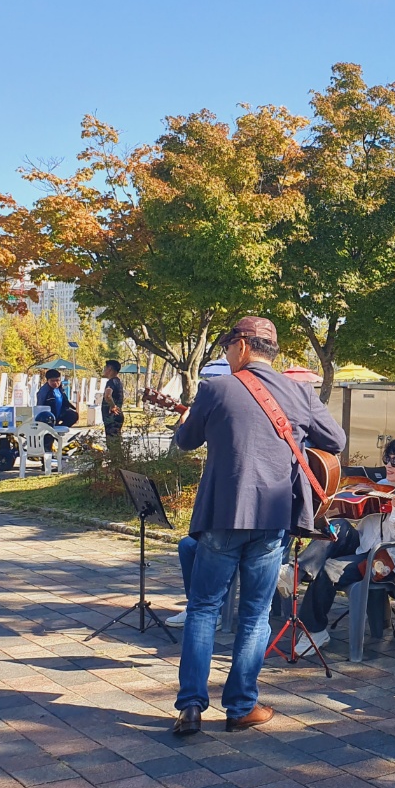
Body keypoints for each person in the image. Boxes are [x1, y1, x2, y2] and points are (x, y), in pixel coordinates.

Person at [170, 316, 344, 737]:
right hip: (272, 519)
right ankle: (241, 707)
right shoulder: (300, 392)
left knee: (203, 609)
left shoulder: (215, 389)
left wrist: (191, 419)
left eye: (228, 345)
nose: (227, 353)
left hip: (222, 516)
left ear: (244, 345)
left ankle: (191, 707)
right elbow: (336, 441)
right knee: (255, 614)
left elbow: (186, 441)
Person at [295, 436, 395, 655]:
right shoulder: (379, 485)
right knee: (337, 526)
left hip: (382, 559)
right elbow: (357, 515)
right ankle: (297, 571)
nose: (388, 465)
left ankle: (315, 631)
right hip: (361, 544)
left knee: (329, 569)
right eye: (387, 459)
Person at [102, 359, 125, 439]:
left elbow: (108, 395)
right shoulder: (118, 381)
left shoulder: (111, 382)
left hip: (112, 418)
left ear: (110, 369)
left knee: (112, 442)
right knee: (116, 441)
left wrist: (113, 407)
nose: (104, 370)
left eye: (105, 368)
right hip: (116, 417)